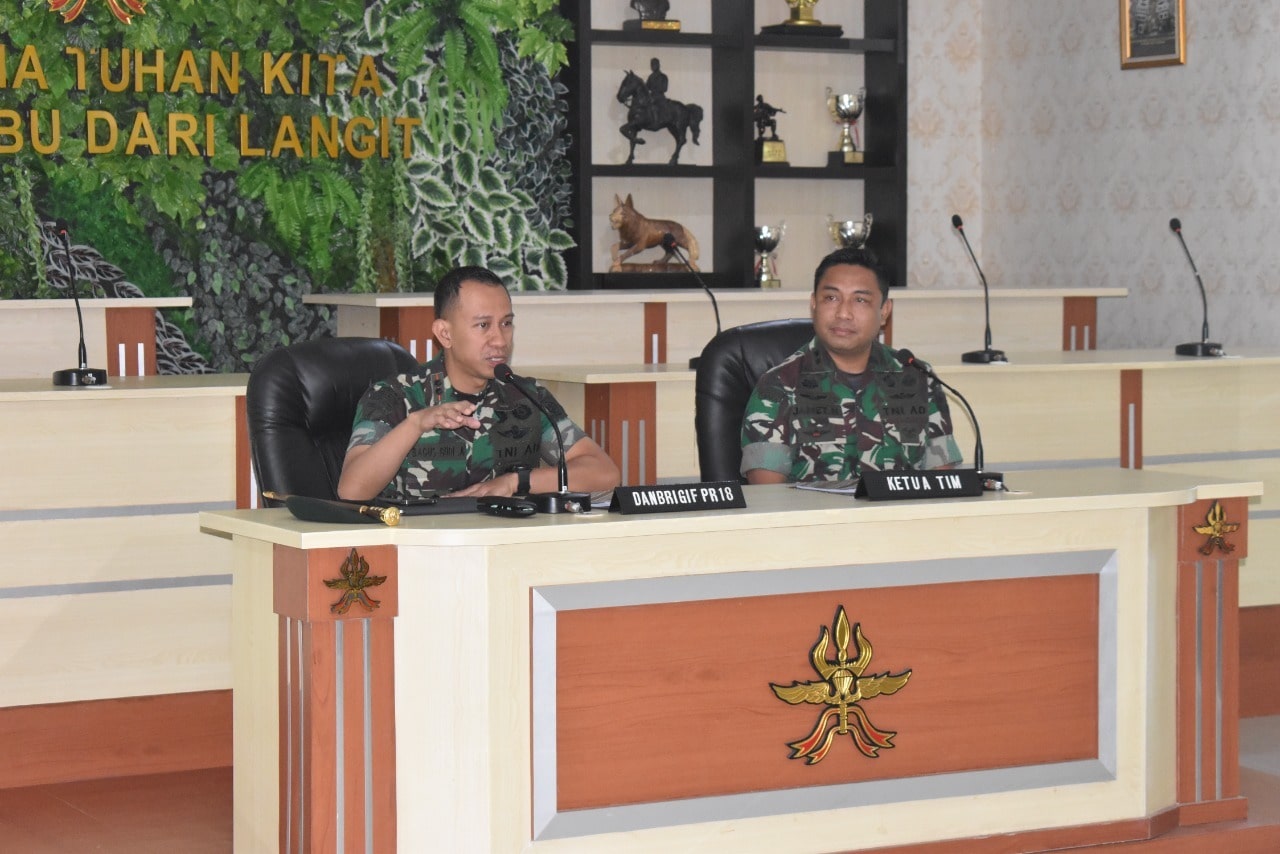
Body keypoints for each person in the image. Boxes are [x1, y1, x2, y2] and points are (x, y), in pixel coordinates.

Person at [337, 266, 621, 501]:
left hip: (503, 545)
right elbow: (351, 490)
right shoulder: (394, 397)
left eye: (506, 324)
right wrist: (416, 424)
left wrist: (517, 482)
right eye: (483, 325)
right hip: (418, 546)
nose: (500, 340)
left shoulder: (525, 397)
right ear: (445, 334)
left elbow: (604, 473)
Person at [740, 247, 962, 483]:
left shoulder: (918, 378)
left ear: (884, 311)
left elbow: (942, 483)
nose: (843, 313)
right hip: (815, 509)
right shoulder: (778, 386)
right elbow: (768, 494)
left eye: (860, 300)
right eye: (831, 298)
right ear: (814, 304)